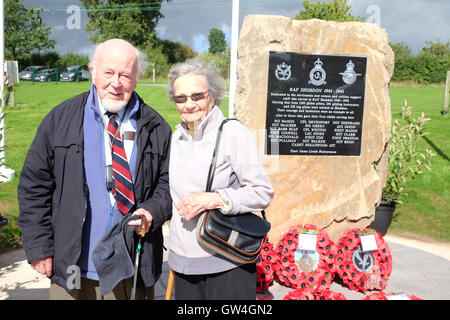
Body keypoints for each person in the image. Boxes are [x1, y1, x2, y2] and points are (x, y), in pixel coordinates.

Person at [17, 39, 172, 300]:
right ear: (93, 71)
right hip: (73, 268)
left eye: (125, 75)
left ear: (137, 78)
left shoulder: (156, 127)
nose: (116, 82)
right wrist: (40, 247)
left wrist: (152, 212)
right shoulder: (60, 120)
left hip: (130, 268)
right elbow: (34, 185)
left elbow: (168, 184)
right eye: (109, 72)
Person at [166, 59, 274, 300]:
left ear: (212, 96)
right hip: (184, 261)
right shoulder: (177, 137)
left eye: (197, 96)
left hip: (225, 258)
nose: (189, 104)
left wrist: (214, 198)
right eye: (181, 98)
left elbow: (262, 192)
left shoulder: (233, 133)